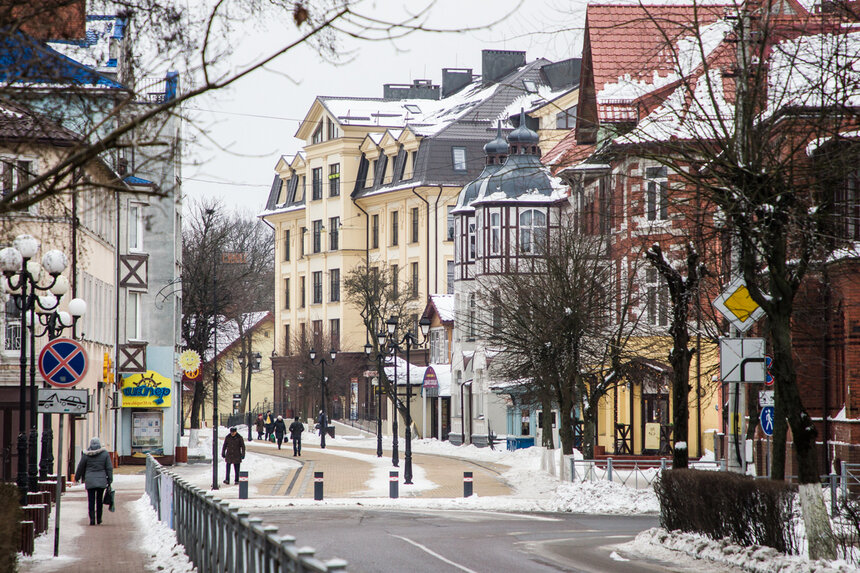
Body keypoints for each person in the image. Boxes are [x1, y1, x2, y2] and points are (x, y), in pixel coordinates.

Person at [75, 436, 113, 525]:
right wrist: (110, 479)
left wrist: (77, 477)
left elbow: (81, 467)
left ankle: (92, 519)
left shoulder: (86, 454)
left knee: (91, 500)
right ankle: (99, 518)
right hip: (101, 480)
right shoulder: (105, 454)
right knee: (99, 500)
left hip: (90, 480)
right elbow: (109, 468)